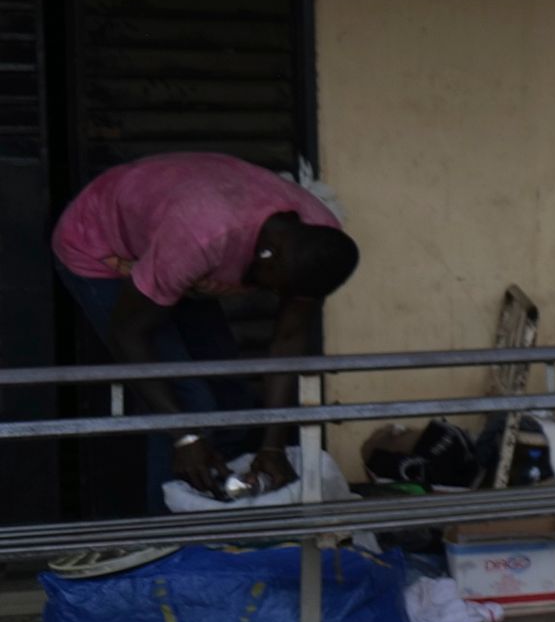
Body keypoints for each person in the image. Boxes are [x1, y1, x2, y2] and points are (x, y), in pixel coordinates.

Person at [51, 152, 360, 506]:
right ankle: (169, 543)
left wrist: (272, 446)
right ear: (267, 256)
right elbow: (129, 333)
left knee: (230, 400)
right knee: (189, 403)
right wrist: (186, 439)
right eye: (277, 288)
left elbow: (288, 339)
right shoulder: (202, 237)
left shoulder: (317, 239)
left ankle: (218, 504)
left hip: (179, 243)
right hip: (99, 245)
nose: (275, 297)